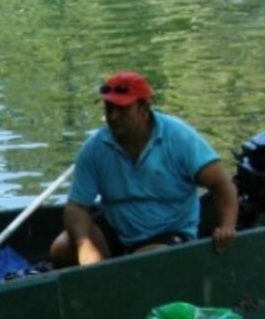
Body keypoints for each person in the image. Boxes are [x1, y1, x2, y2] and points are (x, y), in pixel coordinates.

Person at [49, 71, 239, 268]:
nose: (113, 117)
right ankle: (107, 276)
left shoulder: (179, 138)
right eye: (109, 108)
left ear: (143, 109)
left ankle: (116, 276)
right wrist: (84, 245)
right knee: (61, 249)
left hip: (168, 233)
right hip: (119, 229)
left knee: (145, 260)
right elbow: (76, 207)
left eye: (122, 110)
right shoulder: (95, 148)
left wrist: (227, 226)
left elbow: (221, 184)